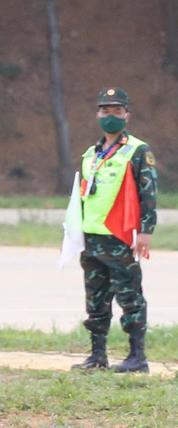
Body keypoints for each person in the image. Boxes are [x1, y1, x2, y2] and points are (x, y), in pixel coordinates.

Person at [72, 87, 157, 373]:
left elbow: (148, 195)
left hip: (121, 238)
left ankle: (137, 357)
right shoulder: (90, 154)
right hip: (92, 238)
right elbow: (83, 196)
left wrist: (145, 232)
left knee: (130, 297)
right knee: (96, 299)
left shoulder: (137, 150)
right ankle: (97, 356)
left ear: (127, 116)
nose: (111, 116)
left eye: (117, 111)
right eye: (105, 111)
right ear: (97, 114)